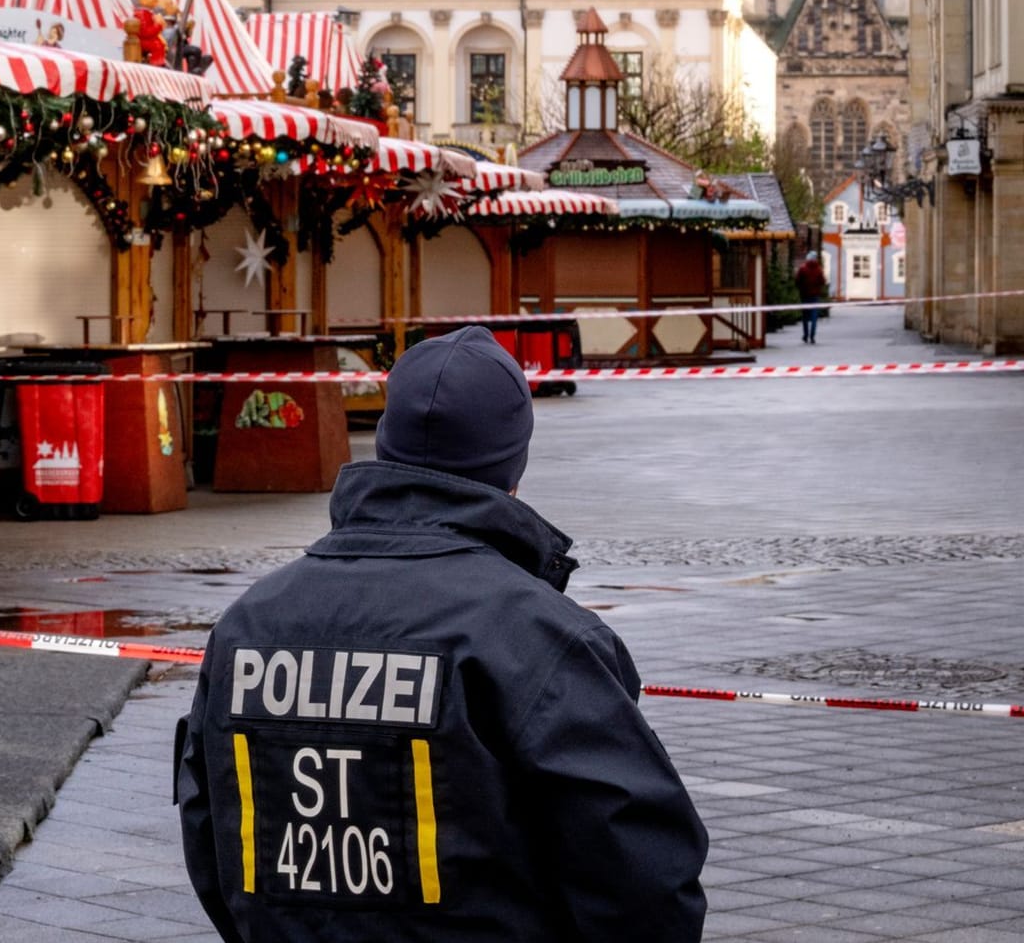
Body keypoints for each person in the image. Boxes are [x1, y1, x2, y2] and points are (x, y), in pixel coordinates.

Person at [176, 326, 707, 941]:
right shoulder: (540, 639)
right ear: (513, 468)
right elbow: (643, 876)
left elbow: (211, 832)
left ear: (385, 445)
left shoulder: (248, 624)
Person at [795, 250, 828, 344]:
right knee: (814, 317)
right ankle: (812, 336)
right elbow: (823, 281)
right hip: (815, 296)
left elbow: (797, 281)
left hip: (804, 295)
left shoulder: (803, 268)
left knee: (805, 317)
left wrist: (801, 288)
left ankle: (805, 335)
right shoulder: (819, 269)